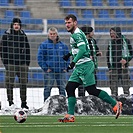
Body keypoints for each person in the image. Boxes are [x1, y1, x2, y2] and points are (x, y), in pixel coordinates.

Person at [58, 14, 122, 123]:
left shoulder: (77, 34)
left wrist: (72, 63)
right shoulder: (77, 33)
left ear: (75, 22)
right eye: (66, 23)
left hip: (85, 65)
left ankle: (115, 104)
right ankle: (70, 115)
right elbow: (79, 48)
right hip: (80, 66)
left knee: (91, 90)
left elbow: (82, 50)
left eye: (69, 22)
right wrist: (69, 54)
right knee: (70, 87)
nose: (67, 25)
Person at [0, 17, 30, 109]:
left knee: (23, 84)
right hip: (11, 64)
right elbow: (2, 50)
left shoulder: (23, 36)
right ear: (12, 25)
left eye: (18, 24)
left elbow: (27, 49)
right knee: (9, 84)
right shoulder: (6, 36)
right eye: (15, 24)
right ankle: (10, 102)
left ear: (20, 26)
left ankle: (24, 103)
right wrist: (6, 63)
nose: (16, 26)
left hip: (22, 64)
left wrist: (26, 63)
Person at [37, 27, 70, 102]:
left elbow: (68, 57)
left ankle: (64, 104)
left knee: (62, 89)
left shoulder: (63, 45)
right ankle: (46, 105)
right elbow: (40, 58)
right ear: (48, 35)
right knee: (47, 89)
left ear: (57, 34)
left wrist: (66, 67)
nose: (52, 35)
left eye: (54, 34)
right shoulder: (44, 45)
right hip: (50, 71)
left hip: (61, 71)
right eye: (51, 34)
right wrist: (45, 68)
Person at [106, 27, 133, 97]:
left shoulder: (126, 41)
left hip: (124, 68)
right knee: (113, 88)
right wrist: (109, 68)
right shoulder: (110, 43)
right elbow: (108, 56)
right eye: (110, 33)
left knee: (126, 87)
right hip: (114, 68)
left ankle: (127, 101)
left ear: (117, 33)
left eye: (112, 33)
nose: (111, 35)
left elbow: (131, 53)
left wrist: (126, 60)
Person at [77, 26, 102, 97]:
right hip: (83, 68)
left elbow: (95, 49)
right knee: (82, 85)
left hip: (93, 67)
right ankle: (81, 99)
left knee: (93, 84)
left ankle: (93, 99)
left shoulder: (93, 41)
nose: (93, 33)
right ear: (88, 33)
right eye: (92, 31)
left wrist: (97, 53)